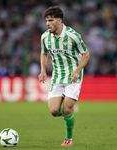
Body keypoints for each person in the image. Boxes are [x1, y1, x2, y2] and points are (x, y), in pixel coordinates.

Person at [38, 6, 90, 146]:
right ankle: (69, 110)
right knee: (54, 111)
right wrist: (43, 70)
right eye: (46, 21)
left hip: (73, 76)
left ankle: (69, 139)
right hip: (57, 76)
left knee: (66, 109)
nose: (47, 23)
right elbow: (44, 53)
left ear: (59, 21)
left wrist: (78, 70)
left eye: (51, 20)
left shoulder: (73, 36)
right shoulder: (45, 37)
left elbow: (86, 55)